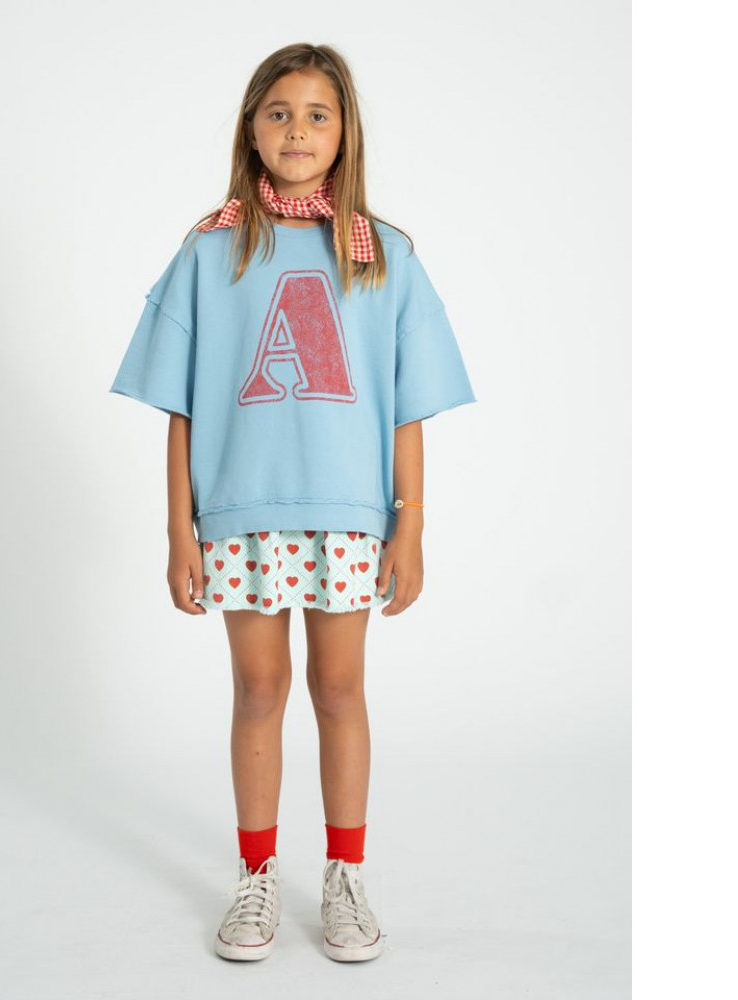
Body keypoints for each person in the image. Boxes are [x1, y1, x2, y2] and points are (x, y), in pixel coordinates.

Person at [110, 43, 477, 963]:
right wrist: (179, 532)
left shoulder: (384, 255)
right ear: (251, 129)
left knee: (340, 687)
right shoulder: (210, 251)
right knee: (260, 689)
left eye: (318, 114)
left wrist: (410, 524)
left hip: (350, 515)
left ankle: (345, 875)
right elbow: (182, 408)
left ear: (346, 132)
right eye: (279, 112)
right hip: (240, 514)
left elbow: (407, 406)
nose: (298, 131)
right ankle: (256, 876)